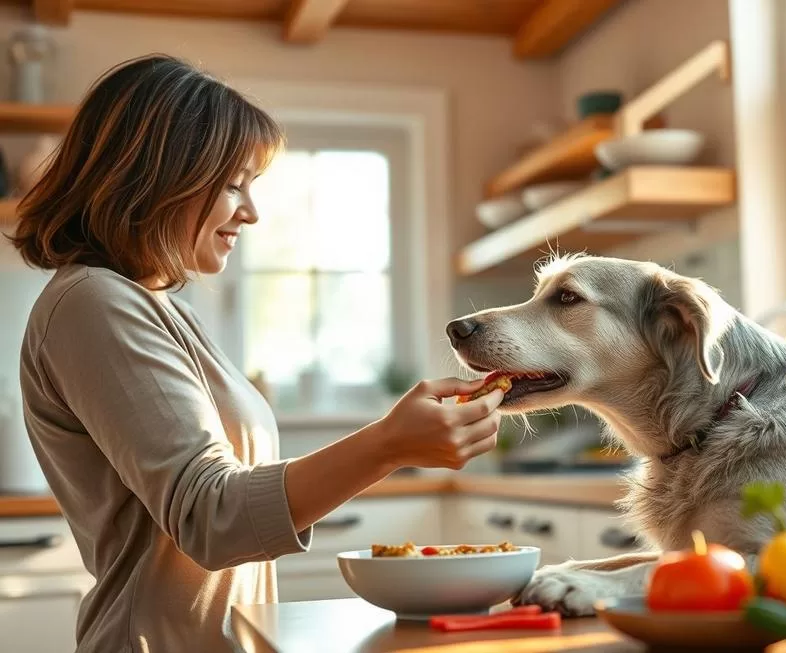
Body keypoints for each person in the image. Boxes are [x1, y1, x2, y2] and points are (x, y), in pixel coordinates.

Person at [7, 54, 504, 653]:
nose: (252, 211)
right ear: (162, 175)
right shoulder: (94, 301)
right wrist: (389, 444)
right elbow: (211, 516)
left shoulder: (156, 306)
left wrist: (393, 440)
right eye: (233, 183)